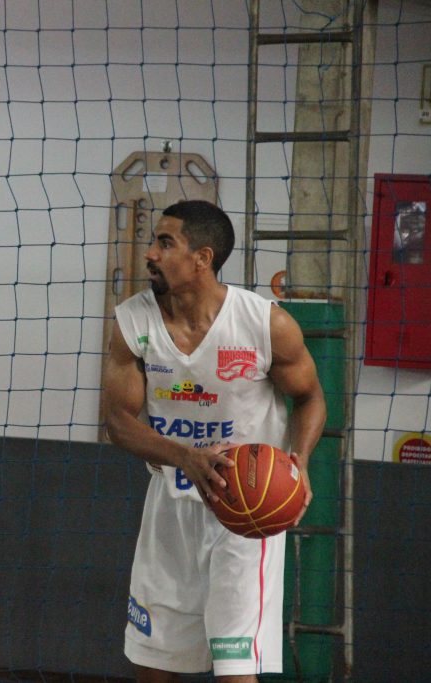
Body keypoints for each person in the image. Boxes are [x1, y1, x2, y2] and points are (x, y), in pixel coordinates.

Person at [102, 200, 327, 681]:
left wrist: (299, 462)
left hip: (247, 512)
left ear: (202, 258)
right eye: (153, 242)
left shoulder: (265, 323)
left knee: (234, 669)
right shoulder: (132, 323)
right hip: (170, 506)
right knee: (153, 665)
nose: (150, 254)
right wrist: (185, 457)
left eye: (165, 243)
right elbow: (118, 422)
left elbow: (310, 399)